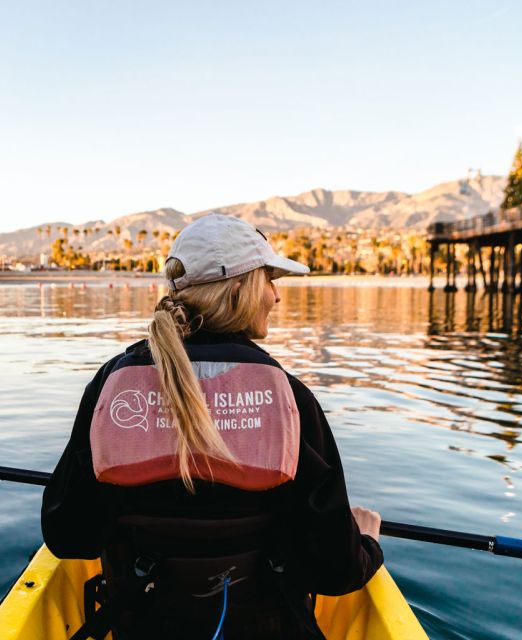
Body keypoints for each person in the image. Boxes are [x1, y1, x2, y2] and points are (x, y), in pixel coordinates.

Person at [41, 214, 383, 640]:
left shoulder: (110, 385)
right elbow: (335, 573)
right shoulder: (291, 399)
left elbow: (69, 537)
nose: (276, 297)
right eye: (268, 280)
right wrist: (366, 544)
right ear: (239, 288)